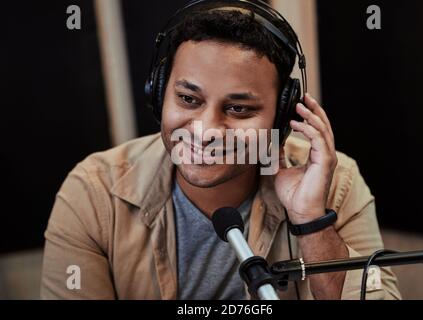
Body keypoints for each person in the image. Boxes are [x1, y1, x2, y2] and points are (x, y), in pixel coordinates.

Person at [41, 1, 401, 300]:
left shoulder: (334, 182)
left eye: (239, 109)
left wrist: (312, 220)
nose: (206, 130)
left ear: (281, 116)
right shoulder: (93, 191)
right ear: (158, 93)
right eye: (188, 99)